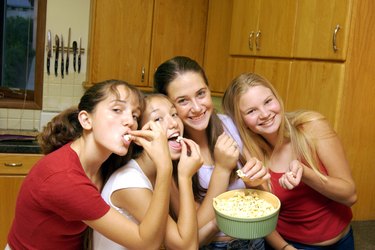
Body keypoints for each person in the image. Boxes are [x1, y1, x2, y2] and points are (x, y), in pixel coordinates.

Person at [7, 80, 173, 250]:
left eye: (135, 115)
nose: (130, 121)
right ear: (86, 120)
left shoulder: (106, 162)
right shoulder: (65, 179)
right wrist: (165, 167)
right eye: (117, 110)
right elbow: (147, 243)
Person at [221, 72, 357, 250]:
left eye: (268, 101)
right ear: (242, 121)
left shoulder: (311, 127)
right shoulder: (250, 155)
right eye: (251, 111)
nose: (264, 114)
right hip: (291, 245)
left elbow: (350, 196)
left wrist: (306, 173)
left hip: (343, 241)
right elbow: (262, 217)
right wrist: (284, 247)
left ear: (277, 98)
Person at [154, 56, 269, 249]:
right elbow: (192, 232)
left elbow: (263, 195)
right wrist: (222, 170)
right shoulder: (170, 155)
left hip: (255, 240)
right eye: (183, 100)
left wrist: (257, 183)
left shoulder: (231, 125)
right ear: (169, 105)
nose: (197, 108)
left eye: (201, 93)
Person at [93, 93, 203, 250]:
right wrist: (185, 177)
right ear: (139, 134)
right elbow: (187, 247)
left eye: (174, 114)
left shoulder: (160, 173)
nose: (173, 123)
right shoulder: (130, 182)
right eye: (158, 119)